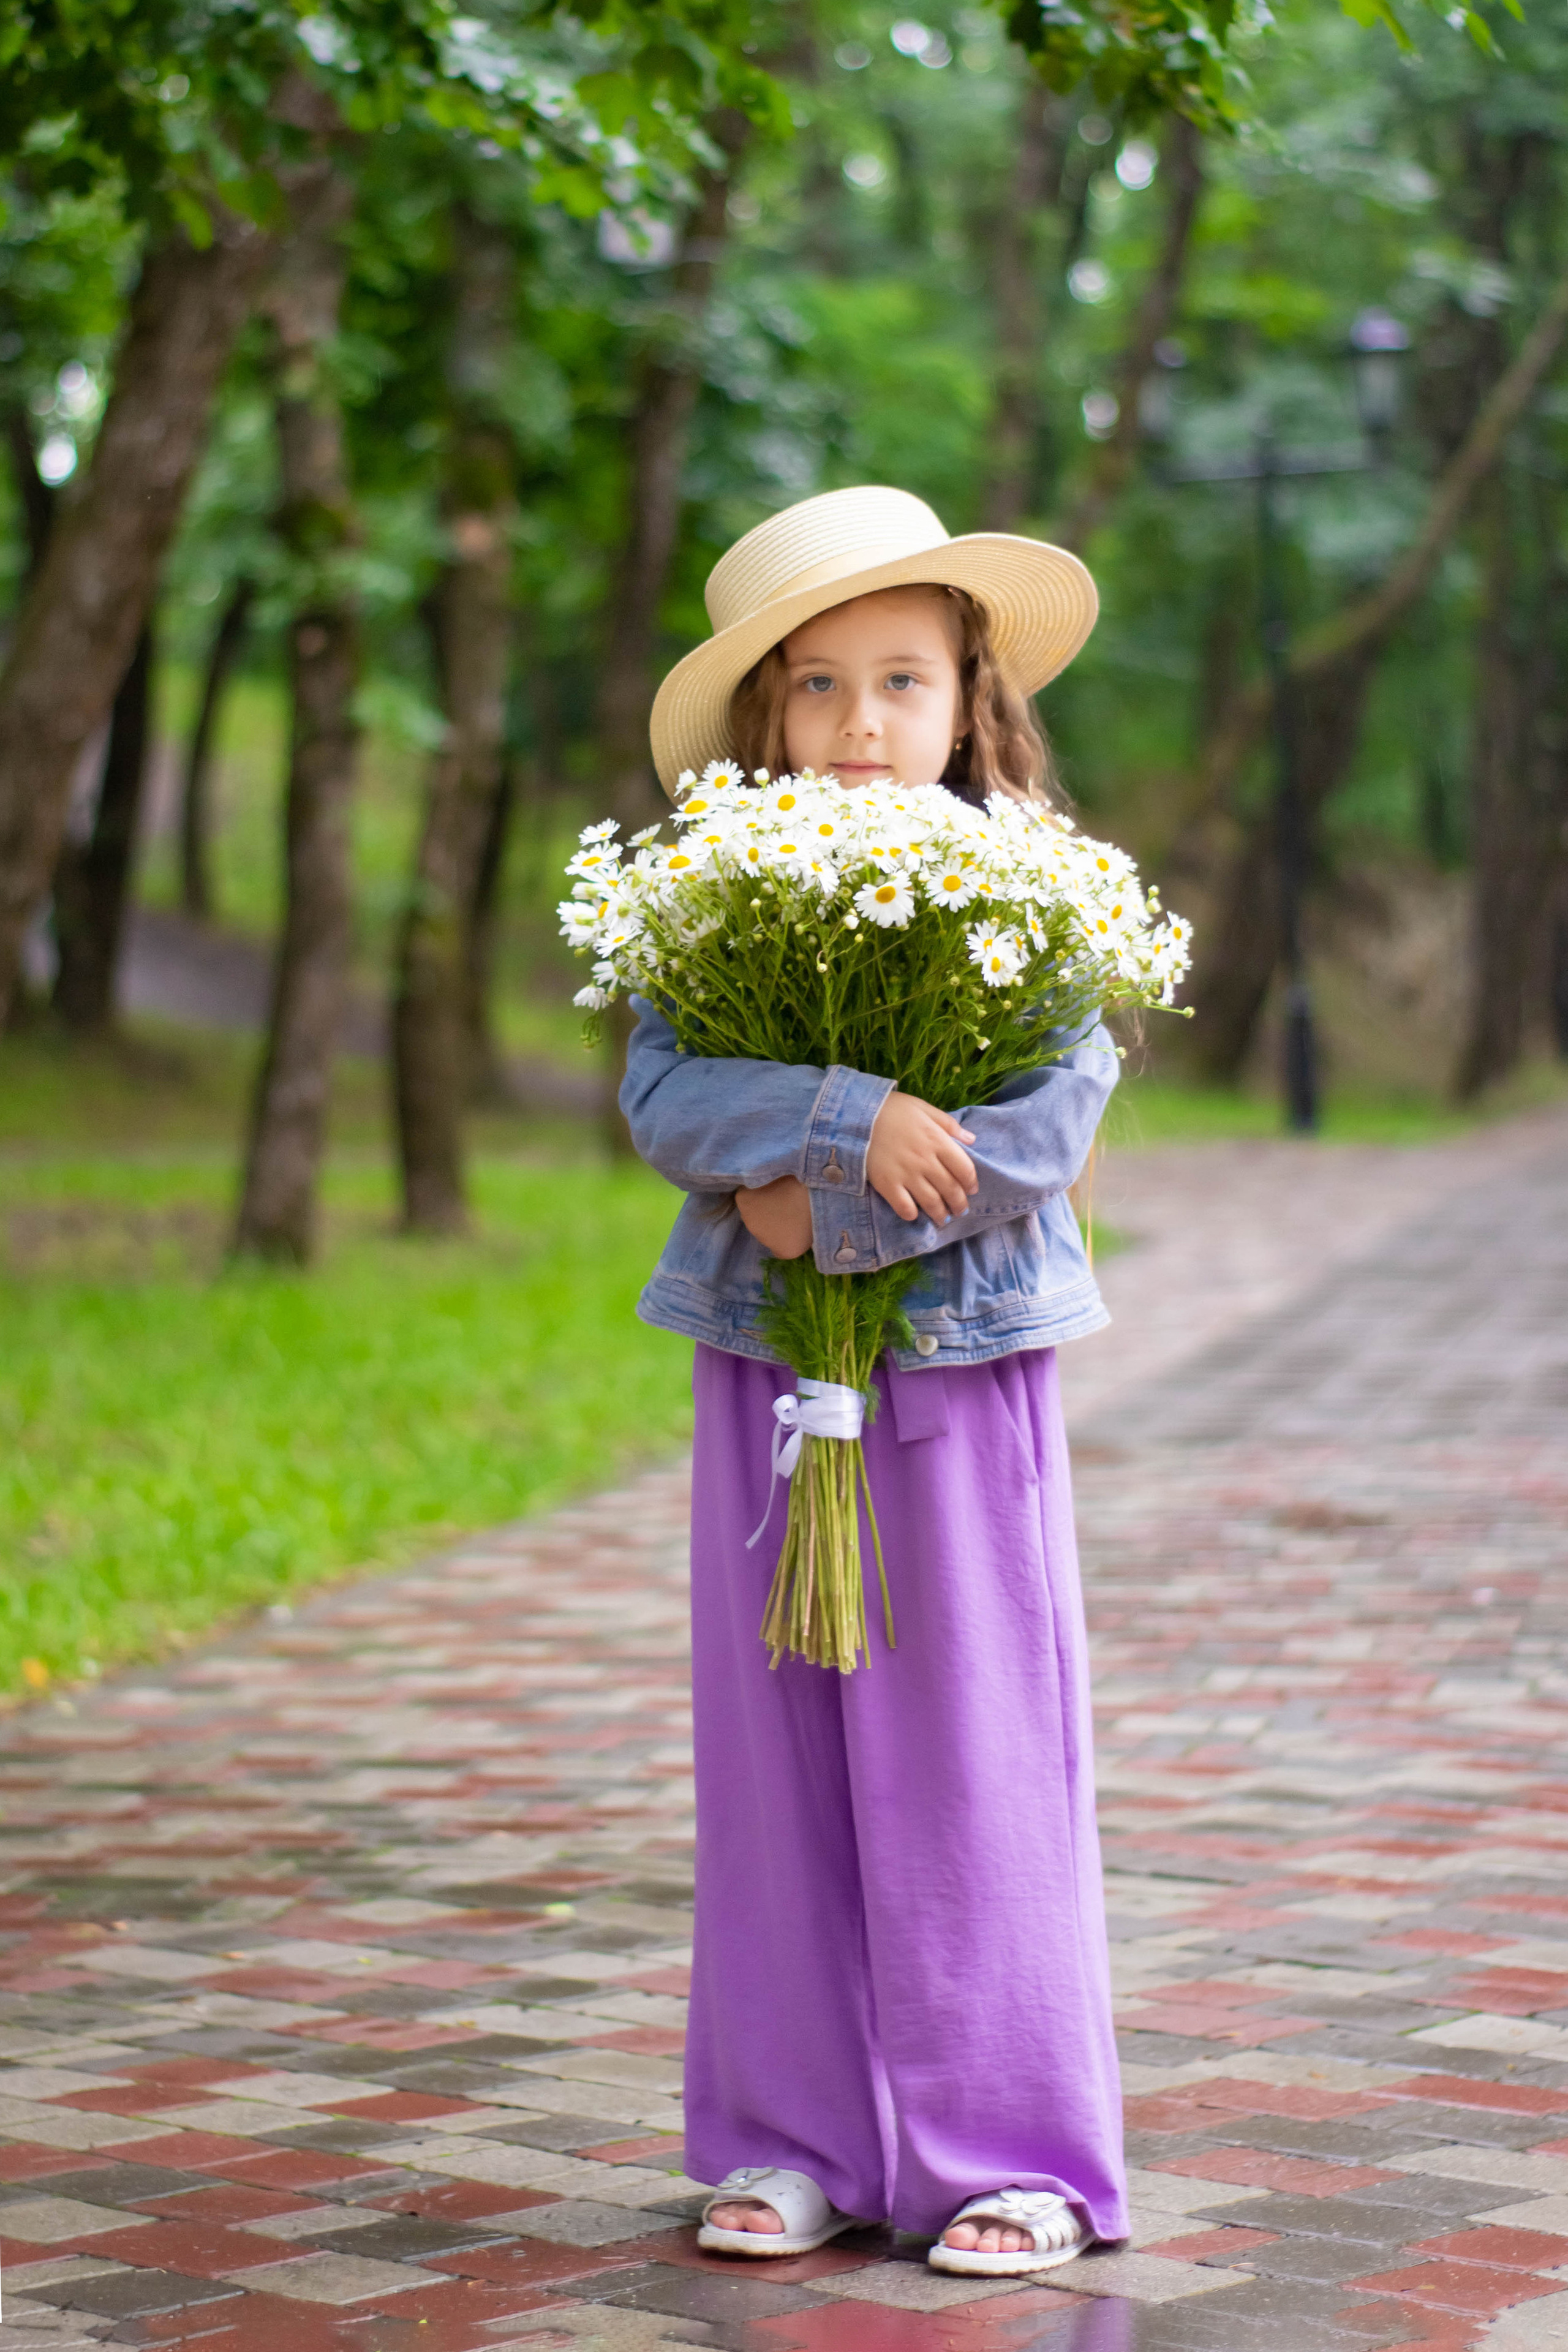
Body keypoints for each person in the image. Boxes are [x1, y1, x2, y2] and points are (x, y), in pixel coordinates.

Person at [620, 485, 1127, 2278]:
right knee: (776, 1759)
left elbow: (1046, 1126)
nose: (858, 725)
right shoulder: (711, 898)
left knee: (972, 1750)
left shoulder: (1030, 883)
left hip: (955, 1373)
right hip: (770, 1380)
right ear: (765, 715)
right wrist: (854, 1116)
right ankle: (793, 2137)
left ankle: (1018, 2152)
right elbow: (668, 1100)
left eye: (901, 680)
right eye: (816, 685)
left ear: (970, 701)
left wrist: (814, 1199)